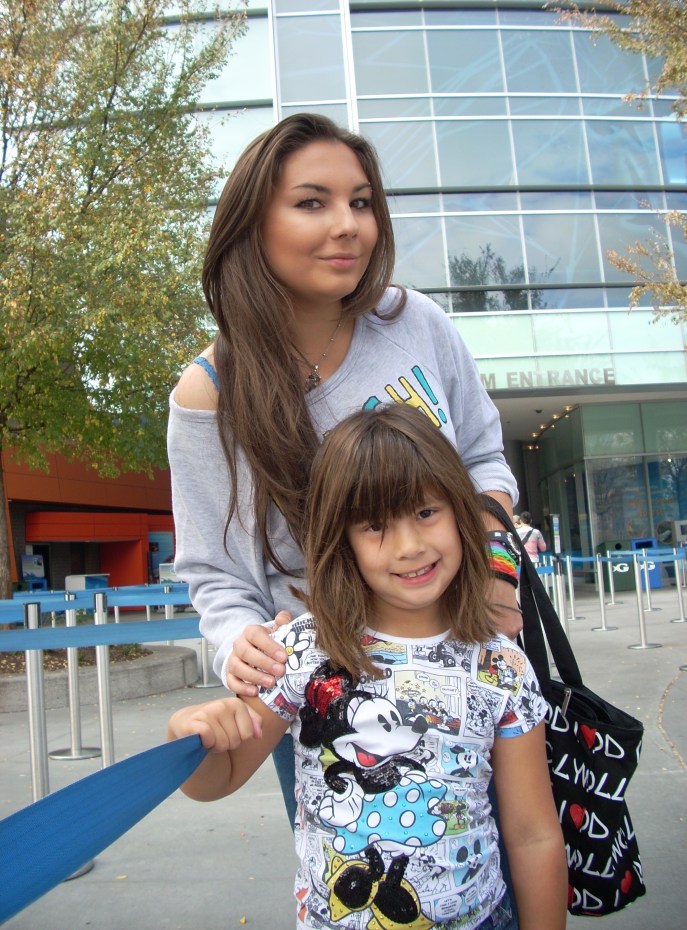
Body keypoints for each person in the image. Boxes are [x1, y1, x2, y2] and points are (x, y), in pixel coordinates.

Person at [167, 112, 522, 821]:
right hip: (329, 690)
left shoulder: (414, 321)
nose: (349, 224)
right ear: (252, 225)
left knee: (510, 859)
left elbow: (484, 458)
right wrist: (242, 646)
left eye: (361, 201)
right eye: (312, 202)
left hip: (468, 652)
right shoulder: (211, 392)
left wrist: (497, 573)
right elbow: (215, 571)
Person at [167, 405, 567, 930]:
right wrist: (191, 736)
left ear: (460, 513)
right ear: (342, 539)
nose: (410, 546)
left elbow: (534, 833)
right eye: (375, 525)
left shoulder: (502, 666)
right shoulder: (302, 652)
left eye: (427, 512)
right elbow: (218, 779)